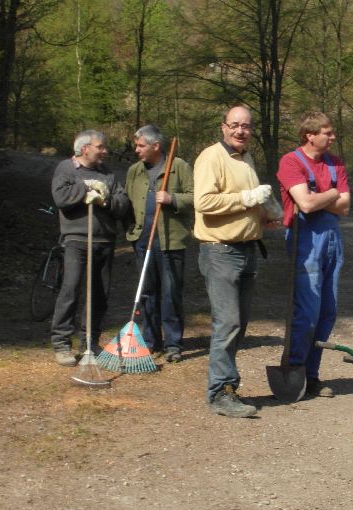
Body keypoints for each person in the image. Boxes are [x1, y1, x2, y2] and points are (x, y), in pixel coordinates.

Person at [194, 105, 274, 418]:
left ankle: (229, 387)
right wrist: (247, 199)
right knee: (227, 324)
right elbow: (204, 202)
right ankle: (219, 393)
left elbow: (247, 198)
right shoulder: (211, 157)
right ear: (223, 127)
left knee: (238, 326)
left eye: (247, 126)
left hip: (247, 249)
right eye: (235, 125)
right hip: (221, 251)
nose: (241, 131)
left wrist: (265, 212)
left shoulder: (246, 158)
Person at [276, 112, 351, 398]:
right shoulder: (291, 162)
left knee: (328, 310)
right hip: (304, 240)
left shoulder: (336, 163)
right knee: (307, 310)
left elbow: (345, 207)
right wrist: (332, 194)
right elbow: (305, 205)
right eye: (327, 133)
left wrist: (323, 196)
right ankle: (294, 369)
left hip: (333, 240)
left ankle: (312, 373)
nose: (332, 137)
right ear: (310, 135)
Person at [50, 129, 130, 366]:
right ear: (85, 148)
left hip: (104, 240)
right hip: (76, 239)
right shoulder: (66, 169)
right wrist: (84, 190)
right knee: (71, 289)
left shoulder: (108, 173)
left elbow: (122, 203)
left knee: (99, 294)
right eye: (101, 147)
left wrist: (105, 199)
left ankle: (89, 342)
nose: (105, 151)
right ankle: (62, 343)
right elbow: (61, 198)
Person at [124, 125, 194, 362]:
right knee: (147, 292)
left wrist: (172, 198)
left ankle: (173, 343)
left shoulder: (178, 167)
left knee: (171, 292)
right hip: (142, 240)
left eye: (140, 145)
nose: (136, 150)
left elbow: (196, 197)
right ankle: (151, 340)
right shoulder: (135, 171)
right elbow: (126, 201)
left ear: (156, 146)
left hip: (169, 240)